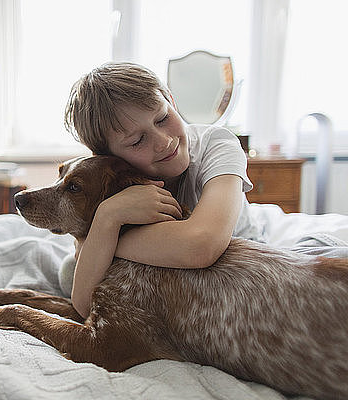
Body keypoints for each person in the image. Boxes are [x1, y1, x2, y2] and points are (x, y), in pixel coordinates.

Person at [63, 62, 259, 318]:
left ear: (172, 102)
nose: (165, 142)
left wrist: (101, 236)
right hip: (162, 273)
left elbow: (202, 244)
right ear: (109, 157)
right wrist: (108, 216)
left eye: (163, 118)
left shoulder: (218, 145)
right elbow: (84, 304)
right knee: (69, 270)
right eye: (137, 141)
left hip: (239, 267)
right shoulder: (115, 181)